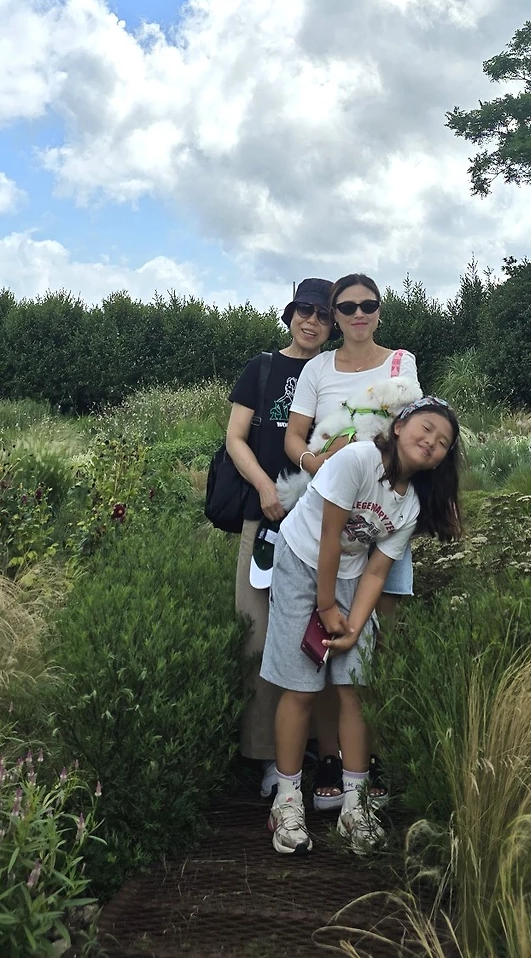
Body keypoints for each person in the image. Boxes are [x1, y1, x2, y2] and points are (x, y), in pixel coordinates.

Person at [262, 396, 461, 857]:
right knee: (301, 686)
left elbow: (376, 570)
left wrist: (352, 626)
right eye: (426, 428)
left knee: (356, 685)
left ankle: (355, 805)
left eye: (442, 442)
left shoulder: (410, 505)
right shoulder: (356, 459)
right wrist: (326, 607)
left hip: (350, 576)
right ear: (399, 426)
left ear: (442, 460)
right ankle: (286, 802)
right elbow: (329, 536)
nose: (431, 442)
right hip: (302, 560)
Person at [283, 272, 418, 811]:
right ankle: (329, 760)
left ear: (380, 310)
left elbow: (410, 431)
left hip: (381, 521)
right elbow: (295, 437)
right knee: (320, 643)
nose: (358, 314)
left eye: (368, 304)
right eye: (347, 306)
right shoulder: (317, 368)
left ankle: (368, 761)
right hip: (331, 515)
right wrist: (318, 464)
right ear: (334, 315)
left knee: (370, 649)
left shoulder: (400, 364)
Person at [226, 278, 338, 796]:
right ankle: (267, 754)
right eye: (304, 311)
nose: (311, 321)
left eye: (323, 314)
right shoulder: (262, 368)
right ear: (290, 314)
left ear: (333, 324)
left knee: (319, 635)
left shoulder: (335, 373)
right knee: (260, 633)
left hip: (324, 526)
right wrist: (265, 486)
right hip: (266, 518)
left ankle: (321, 750)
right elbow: (235, 438)